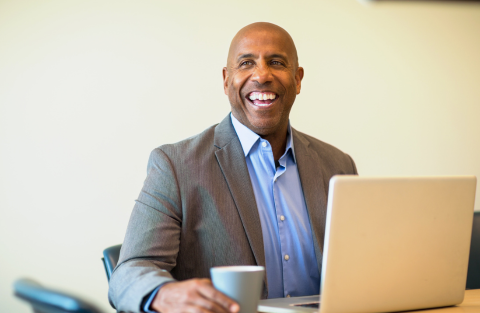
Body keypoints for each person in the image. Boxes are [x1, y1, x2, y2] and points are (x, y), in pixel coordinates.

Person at [108, 22, 358, 313]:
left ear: (298, 79)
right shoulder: (175, 166)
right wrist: (163, 294)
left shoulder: (338, 166)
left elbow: (360, 267)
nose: (262, 75)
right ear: (227, 80)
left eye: (276, 62)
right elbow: (129, 272)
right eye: (246, 63)